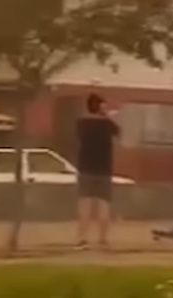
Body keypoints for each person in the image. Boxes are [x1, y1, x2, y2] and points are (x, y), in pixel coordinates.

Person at [75, 92, 120, 249]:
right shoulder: (108, 124)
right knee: (104, 206)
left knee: (84, 205)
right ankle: (103, 239)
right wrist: (108, 116)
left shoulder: (81, 123)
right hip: (104, 169)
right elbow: (118, 134)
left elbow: (78, 136)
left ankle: (82, 239)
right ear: (100, 107)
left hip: (85, 168)